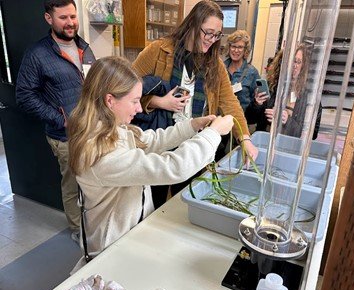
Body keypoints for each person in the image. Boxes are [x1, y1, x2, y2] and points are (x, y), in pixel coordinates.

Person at [67, 56, 234, 268]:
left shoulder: (115, 129)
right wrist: (213, 134)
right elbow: (173, 168)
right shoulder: (99, 153)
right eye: (134, 101)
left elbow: (151, 140)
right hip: (112, 250)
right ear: (110, 100)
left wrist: (192, 126)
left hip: (131, 235)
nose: (139, 109)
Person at [131, 0, 258, 208]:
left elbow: (230, 103)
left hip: (194, 145)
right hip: (159, 143)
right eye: (207, 32)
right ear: (192, 24)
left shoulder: (215, 65)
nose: (211, 40)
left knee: (187, 203)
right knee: (154, 203)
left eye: (217, 35)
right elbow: (126, 90)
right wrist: (159, 101)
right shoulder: (158, 51)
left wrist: (244, 138)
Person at [15, 0, 96, 241]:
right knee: (72, 185)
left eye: (73, 16)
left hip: (92, 130)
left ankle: (94, 223)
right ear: (49, 19)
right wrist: (61, 120)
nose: (71, 22)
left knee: (93, 181)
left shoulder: (85, 47)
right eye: (63, 18)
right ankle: (78, 231)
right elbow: (24, 95)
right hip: (65, 136)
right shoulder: (37, 54)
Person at [246, 45, 321, 139]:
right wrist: (256, 104)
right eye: (291, 61)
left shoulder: (309, 96)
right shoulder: (271, 87)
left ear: (303, 66)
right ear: (283, 63)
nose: (294, 66)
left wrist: (287, 120)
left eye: (298, 62)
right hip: (265, 141)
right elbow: (249, 119)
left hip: (290, 147)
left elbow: (313, 134)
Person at [223, 30, 267, 112]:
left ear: (245, 50)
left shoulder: (252, 72)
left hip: (242, 120)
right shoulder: (221, 68)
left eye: (240, 47)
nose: (236, 50)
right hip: (220, 119)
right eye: (233, 46)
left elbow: (258, 102)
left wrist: (257, 102)